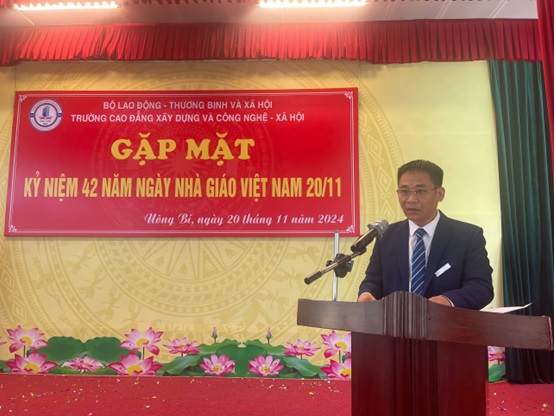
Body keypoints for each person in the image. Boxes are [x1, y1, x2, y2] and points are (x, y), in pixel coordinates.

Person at [357, 159, 494, 310]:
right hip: (395, 323)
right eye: (404, 192)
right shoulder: (387, 236)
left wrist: (447, 301)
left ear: (440, 194)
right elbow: (373, 281)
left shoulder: (467, 236)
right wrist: (367, 294)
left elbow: (481, 287)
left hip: (447, 322)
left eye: (420, 191)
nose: (411, 200)